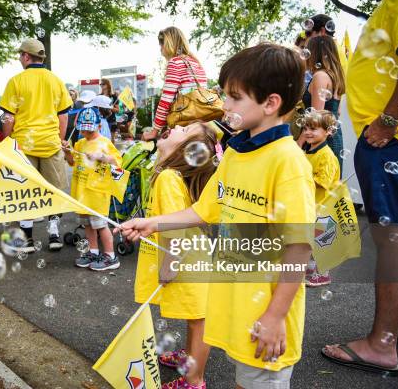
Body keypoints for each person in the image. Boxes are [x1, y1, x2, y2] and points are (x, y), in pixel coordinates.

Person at [119, 43, 315, 389]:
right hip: (238, 306)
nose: (224, 105)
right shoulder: (237, 156)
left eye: (234, 97)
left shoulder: (287, 161)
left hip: (265, 315)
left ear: (271, 103)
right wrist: (152, 223)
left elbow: (298, 248)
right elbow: (201, 210)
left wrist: (275, 316)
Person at [321, 0, 398, 377]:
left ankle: (380, 344)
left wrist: (389, 120)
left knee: (395, 238)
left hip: (396, 138)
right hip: (395, 136)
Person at [136, 122, 218, 389]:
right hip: (192, 257)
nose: (178, 125)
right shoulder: (171, 174)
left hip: (185, 260)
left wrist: (168, 266)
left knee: (198, 320)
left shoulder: (169, 177)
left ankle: (194, 380)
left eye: (185, 130)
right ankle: (188, 355)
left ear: (185, 151)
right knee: (192, 315)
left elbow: (174, 228)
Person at [0, 38, 73, 253]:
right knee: (54, 190)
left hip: (24, 147)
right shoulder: (56, 80)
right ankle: (53, 234)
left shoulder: (16, 81)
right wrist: (59, 139)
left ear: (26, 56)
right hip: (51, 145)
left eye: (20, 55)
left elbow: (8, 117)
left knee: (25, 193)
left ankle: (27, 239)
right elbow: (63, 115)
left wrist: (8, 141)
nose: (19, 59)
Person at [62, 107, 122, 271]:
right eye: (83, 129)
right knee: (87, 225)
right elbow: (72, 162)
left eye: (90, 130)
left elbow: (117, 162)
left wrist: (102, 157)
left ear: (99, 126)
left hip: (97, 194)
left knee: (101, 225)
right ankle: (93, 252)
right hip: (82, 193)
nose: (86, 133)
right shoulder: (80, 143)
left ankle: (110, 256)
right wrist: (67, 152)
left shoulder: (104, 143)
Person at [142, 27, 207, 141]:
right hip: (201, 124)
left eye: (161, 44)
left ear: (167, 44)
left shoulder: (175, 62)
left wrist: (154, 131)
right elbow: (193, 92)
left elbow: (166, 100)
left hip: (185, 127)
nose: (160, 49)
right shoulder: (195, 62)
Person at [301, 111, 340, 287]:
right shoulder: (307, 152)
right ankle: (310, 271)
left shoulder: (326, 155)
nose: (308, 132)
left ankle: (322, 274)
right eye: (306, 128)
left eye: (314, 129)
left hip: (322, 207)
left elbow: (322, 182)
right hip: (310, 204)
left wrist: (300, 179)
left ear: (328, 132)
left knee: (319, 243)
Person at [302, 35, 345, 169]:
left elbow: (316, 117)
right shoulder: (336, 76)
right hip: (334, 135)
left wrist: (299, 142)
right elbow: (337, 111)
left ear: (314, 52)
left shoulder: (320, 76)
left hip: (320, 140)